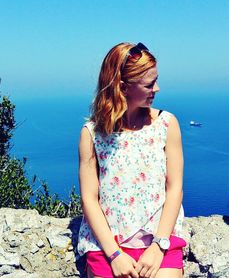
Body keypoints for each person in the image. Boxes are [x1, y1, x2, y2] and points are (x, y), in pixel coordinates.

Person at [77, 42, 186, 278]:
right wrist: (114, 255)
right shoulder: (92, 134)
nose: (156, 89)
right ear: (123, 87)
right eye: (148, 84)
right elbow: (89, 198)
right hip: (107, 245)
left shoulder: (167, 124)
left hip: (161, 239)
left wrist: (159, 246)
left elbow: (175, 187)